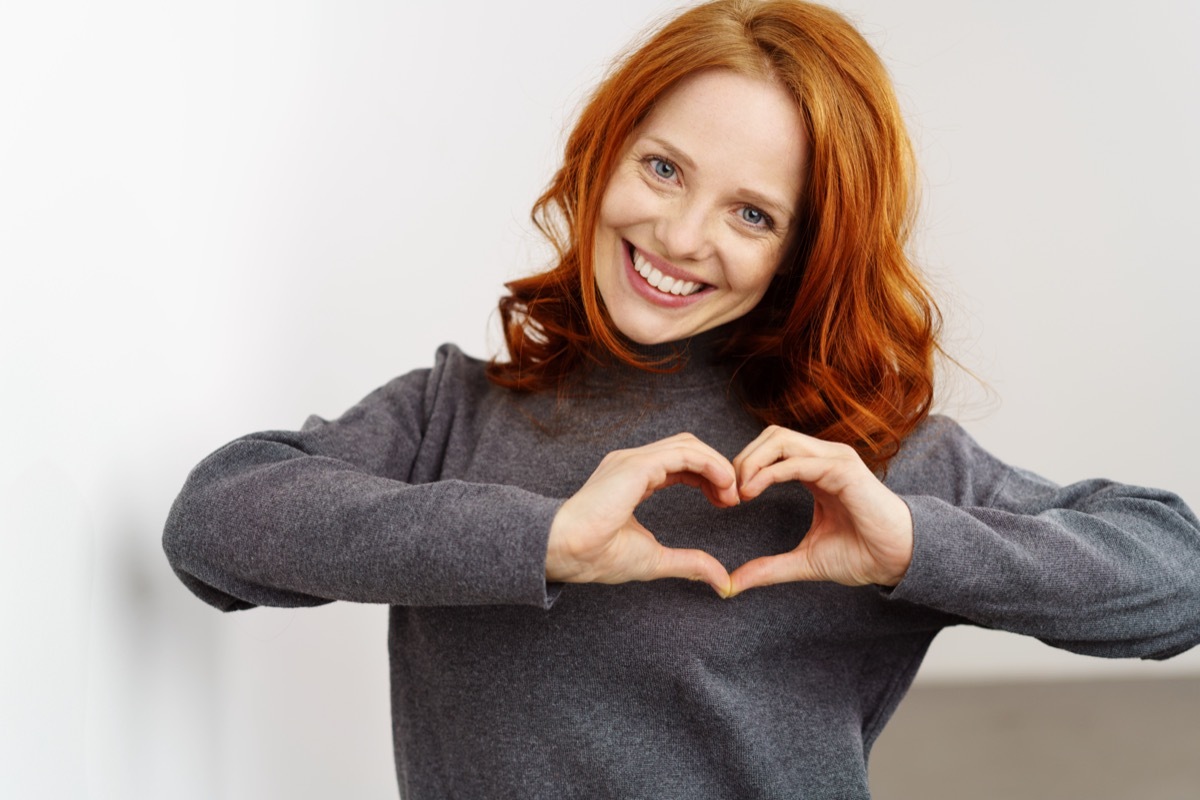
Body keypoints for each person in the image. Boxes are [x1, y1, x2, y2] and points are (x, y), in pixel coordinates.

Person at [162, 0, 1200, 797]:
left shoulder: (858, 462)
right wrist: (539, 539)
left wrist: (916, 545)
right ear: (604, 150)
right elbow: (215, 522)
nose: (681, 233)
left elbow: (1176, 576)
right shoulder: (454, 411)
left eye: (751, 213)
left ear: (805, 252)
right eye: (663, 167)